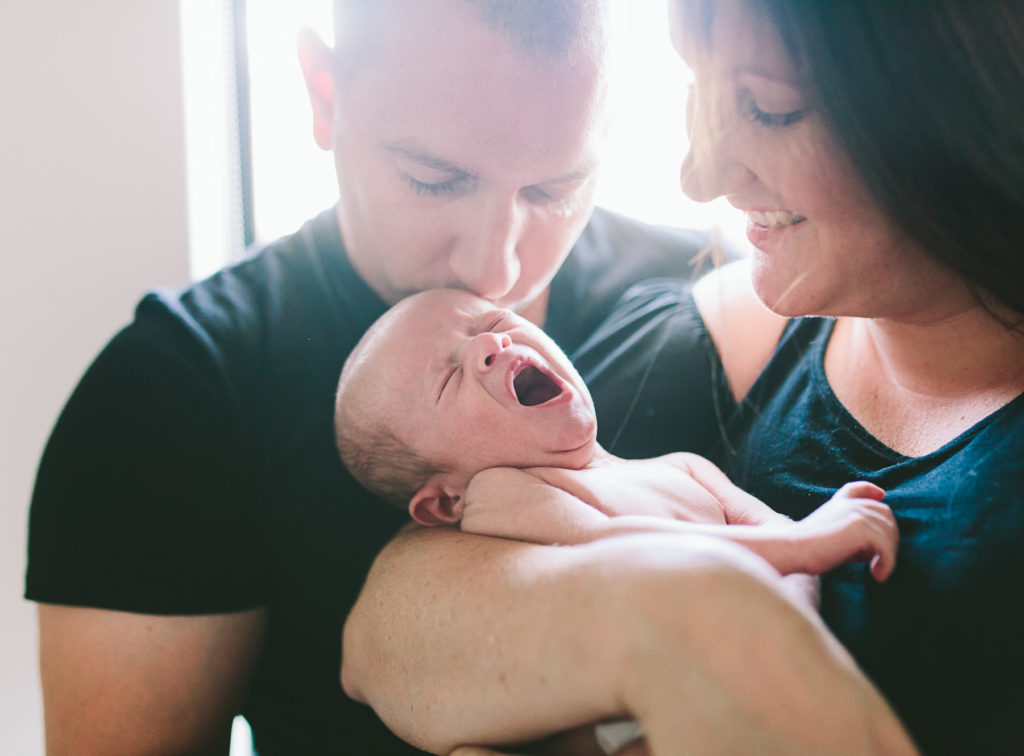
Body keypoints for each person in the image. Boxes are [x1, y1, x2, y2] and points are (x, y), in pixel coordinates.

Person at [23, 2, 728, 754]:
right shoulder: (173, 396)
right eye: (437, 180)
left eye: (554, 192)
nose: (499, 272)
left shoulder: (710, 308)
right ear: (325, 93)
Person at [341, 0, 1024, 754]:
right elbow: (381, 631)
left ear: (967, 100)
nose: (699, 177)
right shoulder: (699, 339)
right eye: (697, 92)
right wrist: (692, 613)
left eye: (769, 108)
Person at [335, 287, 898, 586]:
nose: (490, 346)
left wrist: (810, 542)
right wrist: (806, 546)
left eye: (491, 323)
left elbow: (779, 536)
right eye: (450, 376)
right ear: (444, 499)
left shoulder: (682, 467)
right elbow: (625, 548)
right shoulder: (503, 496)